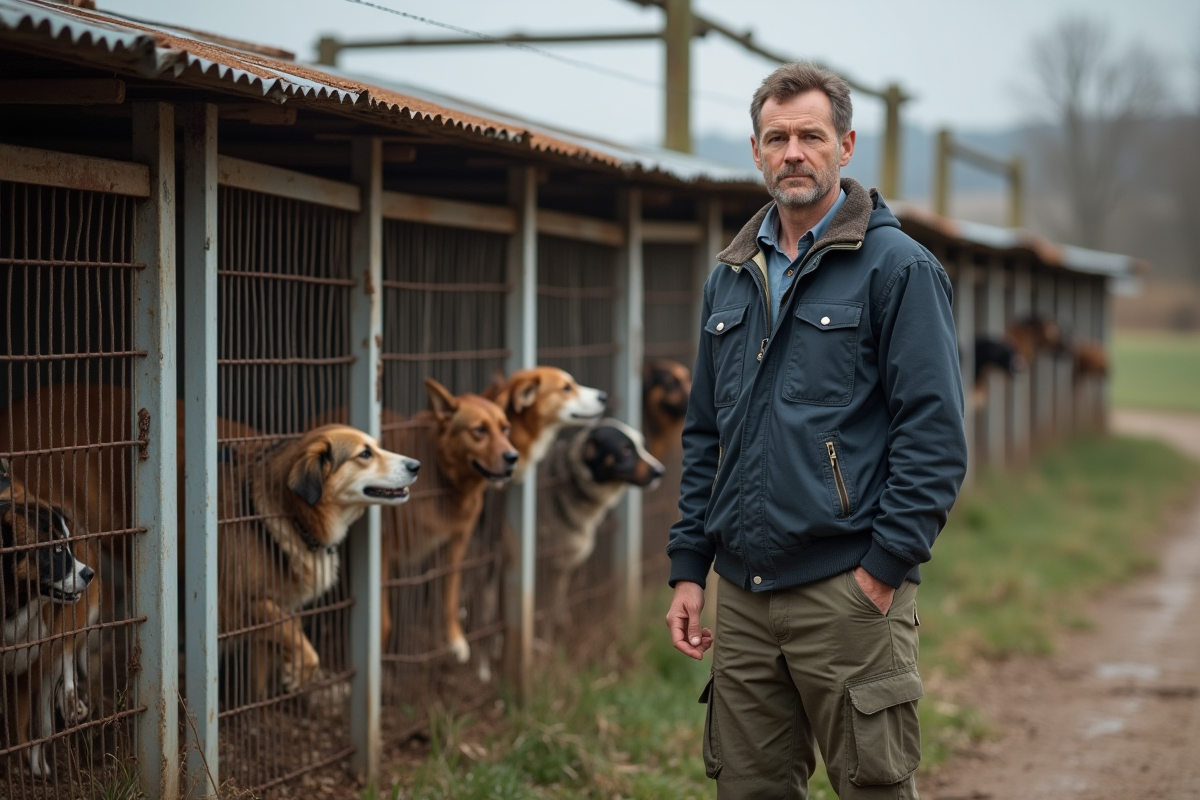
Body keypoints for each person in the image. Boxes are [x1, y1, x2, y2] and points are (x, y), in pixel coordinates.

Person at [665, 61, 968, 799]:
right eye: (777, 137)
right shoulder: (731, 275)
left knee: (872, 787)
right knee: (748, 787)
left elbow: (934, 437)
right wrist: (687, 567)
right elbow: (706, 432)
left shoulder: (898, 269)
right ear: (756, 150)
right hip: (740, 593)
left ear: (847, 145)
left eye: (810, 135)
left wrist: (884, 567)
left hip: (846, 590)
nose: (793, 152)